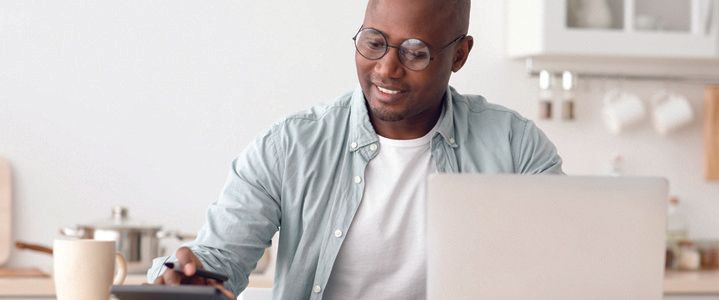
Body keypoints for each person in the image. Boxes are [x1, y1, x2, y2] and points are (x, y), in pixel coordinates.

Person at [148, 0, 563, 299]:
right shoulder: (291, 147)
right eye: (374, 42)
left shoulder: (514, 147)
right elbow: (220, 258)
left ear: (459, 55)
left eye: (415, 52)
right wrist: (191, 277)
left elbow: (567, 265)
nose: (386, 68)